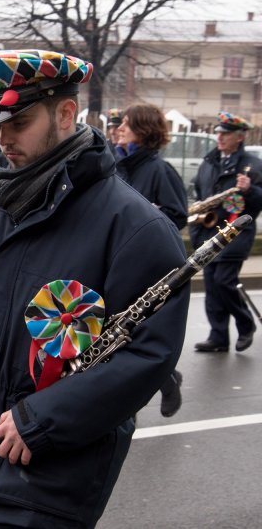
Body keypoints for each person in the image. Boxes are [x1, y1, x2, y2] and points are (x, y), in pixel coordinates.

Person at [0, 49, 189, 528]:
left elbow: (147, 354)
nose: (3, 139)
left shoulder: (134, 225)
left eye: (18, 122)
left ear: (65, 113)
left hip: (52, 465)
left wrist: (43, 419)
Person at [115, 103, 187, 417]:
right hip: (114, 258)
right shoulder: (113, 164)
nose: (118, 128)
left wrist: (150, 217)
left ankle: (167, 380)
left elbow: (177, 214)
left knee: (133, 332)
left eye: (126, 125)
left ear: (142, 132)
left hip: (143, 265)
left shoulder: (159, 169)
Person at [190, 111, 262, 353]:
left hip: (235, 235)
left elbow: (258, 203)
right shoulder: (209, 162)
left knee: (224, 281)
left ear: (239, 137)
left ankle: (245, 322)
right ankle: (218, 336)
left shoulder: (252, 165)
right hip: (210, 233)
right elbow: (199, 195)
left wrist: (250, 189)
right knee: (211, 284)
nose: (219, 137)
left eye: (226, 133)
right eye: (218, 132)